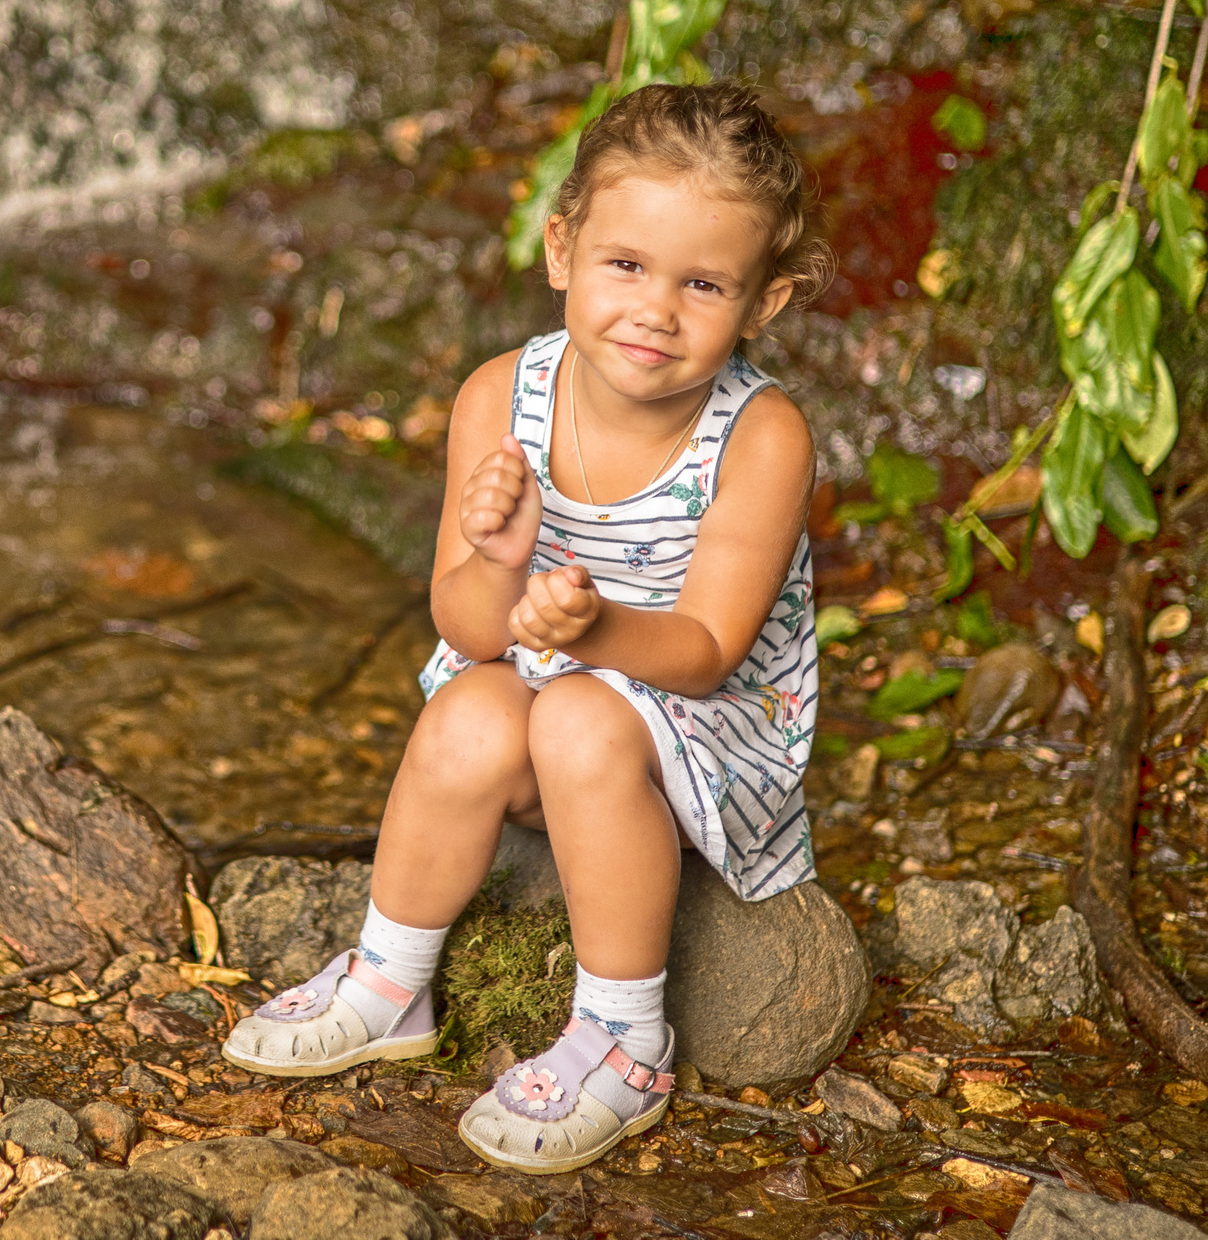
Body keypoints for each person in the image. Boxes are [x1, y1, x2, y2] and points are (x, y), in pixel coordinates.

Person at [222, 82, 831, 1173]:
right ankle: (389, 977)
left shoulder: (762, 434)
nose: (654, 310)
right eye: (625, 266)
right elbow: (462, 620)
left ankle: (623, 1040)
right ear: (561, 250)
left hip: (697, 729)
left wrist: (589, 631)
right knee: (464, 711)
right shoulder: (502, 395)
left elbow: (705, 653)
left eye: (702, 284)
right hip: (547, 684)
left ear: (764, 305)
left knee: (583, 723)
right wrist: (504, 563)